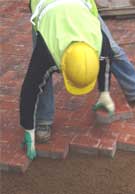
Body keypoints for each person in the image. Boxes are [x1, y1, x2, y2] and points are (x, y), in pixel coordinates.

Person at [20, 0, 116, 160]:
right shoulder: (46, 52)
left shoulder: (100, 42)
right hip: (46, 7)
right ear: (62, 66)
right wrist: (28, 129)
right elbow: (29, 91)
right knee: (39, 80)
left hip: (78, 6)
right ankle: (43, 119)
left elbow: (106, 60)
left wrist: (104, 92)